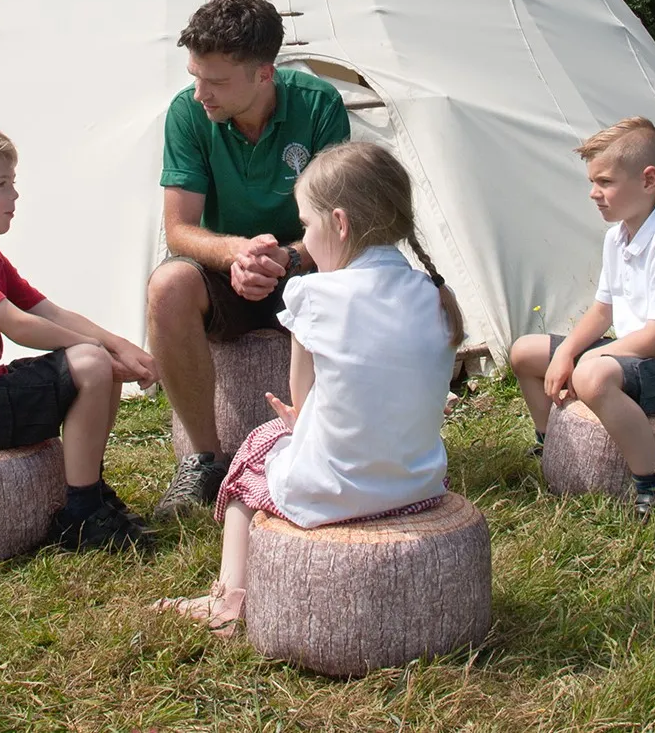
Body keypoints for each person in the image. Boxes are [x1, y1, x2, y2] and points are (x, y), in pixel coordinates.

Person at [154, 141, 463, 633]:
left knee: (255, 451)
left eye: (305, 226)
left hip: (338, 490)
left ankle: (229, 597)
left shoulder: (312, 293)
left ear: (338, 224)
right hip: (418, 484)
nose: (303, 238)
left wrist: (298, 422)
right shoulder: (435, 295)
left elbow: (300, 396)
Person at [0, 123, 158, 552]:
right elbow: (19, 325)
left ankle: (90, 491)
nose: (14, 196)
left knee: (97, 364)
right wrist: (97, 352)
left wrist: (120, 346)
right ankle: (81, 516)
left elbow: (49, 311)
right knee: (90, 364)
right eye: (2, 185)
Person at [147, 0, 350, 518]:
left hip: (305, 268)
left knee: (367, 277)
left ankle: (340, 444)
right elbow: (179, 230)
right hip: (226, 271)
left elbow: (339, 223)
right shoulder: (187, 115)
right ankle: (203, 460)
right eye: (195, 75)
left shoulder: (318, 104)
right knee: (168, 285)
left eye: (214, 81)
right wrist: (238, 253)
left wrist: (285, 258)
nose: (199, 94)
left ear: (265, 74)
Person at [510, 116, 655, 518]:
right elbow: (602, 310)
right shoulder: (618, 236)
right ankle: (549, 441)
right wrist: (567, 352)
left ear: (648, 180)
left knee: (591, 376)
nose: (594, 193)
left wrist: (586, 361)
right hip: (634, 353)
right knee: (524, 352)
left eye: (605, 182)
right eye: (593, 182)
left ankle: (652, 480)